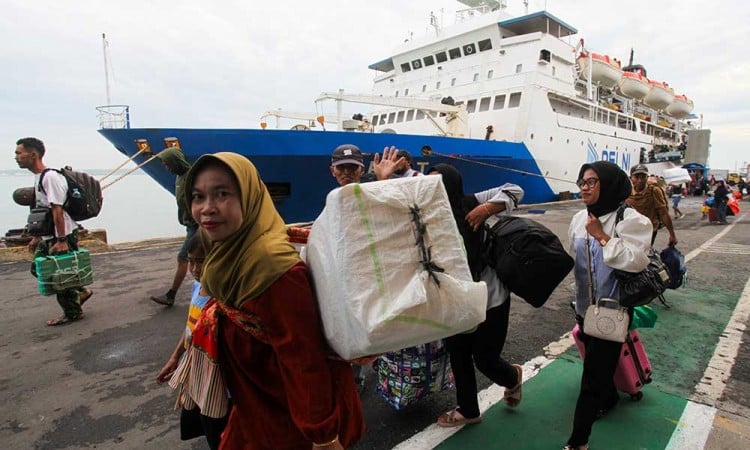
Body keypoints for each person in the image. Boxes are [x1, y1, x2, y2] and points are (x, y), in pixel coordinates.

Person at [178, 152, 365, 449]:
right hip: (254, 406)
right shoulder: (228, 252)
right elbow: (219, 311)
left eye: (223, 193)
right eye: (198, 196)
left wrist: (323, 436)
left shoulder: (272, 266)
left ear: (250, 196)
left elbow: (304, 358)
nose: (207, 208)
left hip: (288, 423)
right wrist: (184, 348)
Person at [427, 163, 525, 428]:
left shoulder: (470, 202)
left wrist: (488, 208)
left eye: (440, 183)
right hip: (454, 298)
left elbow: (515, 190)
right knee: (458, 354)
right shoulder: (427, 216)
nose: (435, 189)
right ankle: (468, 410)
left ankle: (512, 377)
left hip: (490, 297)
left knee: (485, 358)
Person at [564, 161, 652, 450]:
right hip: (584, 308)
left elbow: (636, 260)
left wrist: (602, 236)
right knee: (595, 363)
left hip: (612, 312)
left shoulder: (631, 220)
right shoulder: (579, 218)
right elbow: (575, 258)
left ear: (610, 184)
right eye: (582, 182)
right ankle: (610, 397)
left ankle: (578, 442)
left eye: (592, 182)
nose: (584, 187)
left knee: (590, 380)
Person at [156, 232, 228, 450]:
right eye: (191, 262)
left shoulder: (223, 295)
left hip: (216, 374)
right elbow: (190, 327)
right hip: (194, 364)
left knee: (219, 426)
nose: (196, 269)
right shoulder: (197, 287)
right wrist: (175, 356)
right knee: (205, 422)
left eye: (202, 262)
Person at [15, 137, 93, 326]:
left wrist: (62, 239)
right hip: (50, 234)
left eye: (19, 153)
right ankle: (80, 291)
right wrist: (36, 237)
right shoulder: (39, 177)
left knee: (60, 272)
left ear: (33, 155)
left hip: (62, 233)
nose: (16, 157)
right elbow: (41, 210)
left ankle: (72, 312)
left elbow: (57, 210)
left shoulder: (50, 177)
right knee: (39, 269)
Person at [151, 147, 198, 306]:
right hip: (189, 224)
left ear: (175, 161)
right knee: (201, 259)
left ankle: (171, 295)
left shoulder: (193, 177)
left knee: (183, 257)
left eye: (167, 163)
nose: (166, 167)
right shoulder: (179, 177)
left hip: (197, 225)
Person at [625, 164, 677, 247]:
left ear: (647, 177)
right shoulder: (627, 191)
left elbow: (663, 213)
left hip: (648, 231)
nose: (640, 180)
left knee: (642, 255)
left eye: (643, 177)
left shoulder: (654, 191)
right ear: (631, 178)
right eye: (637, 177)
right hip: (630, 231)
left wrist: (672, 234)